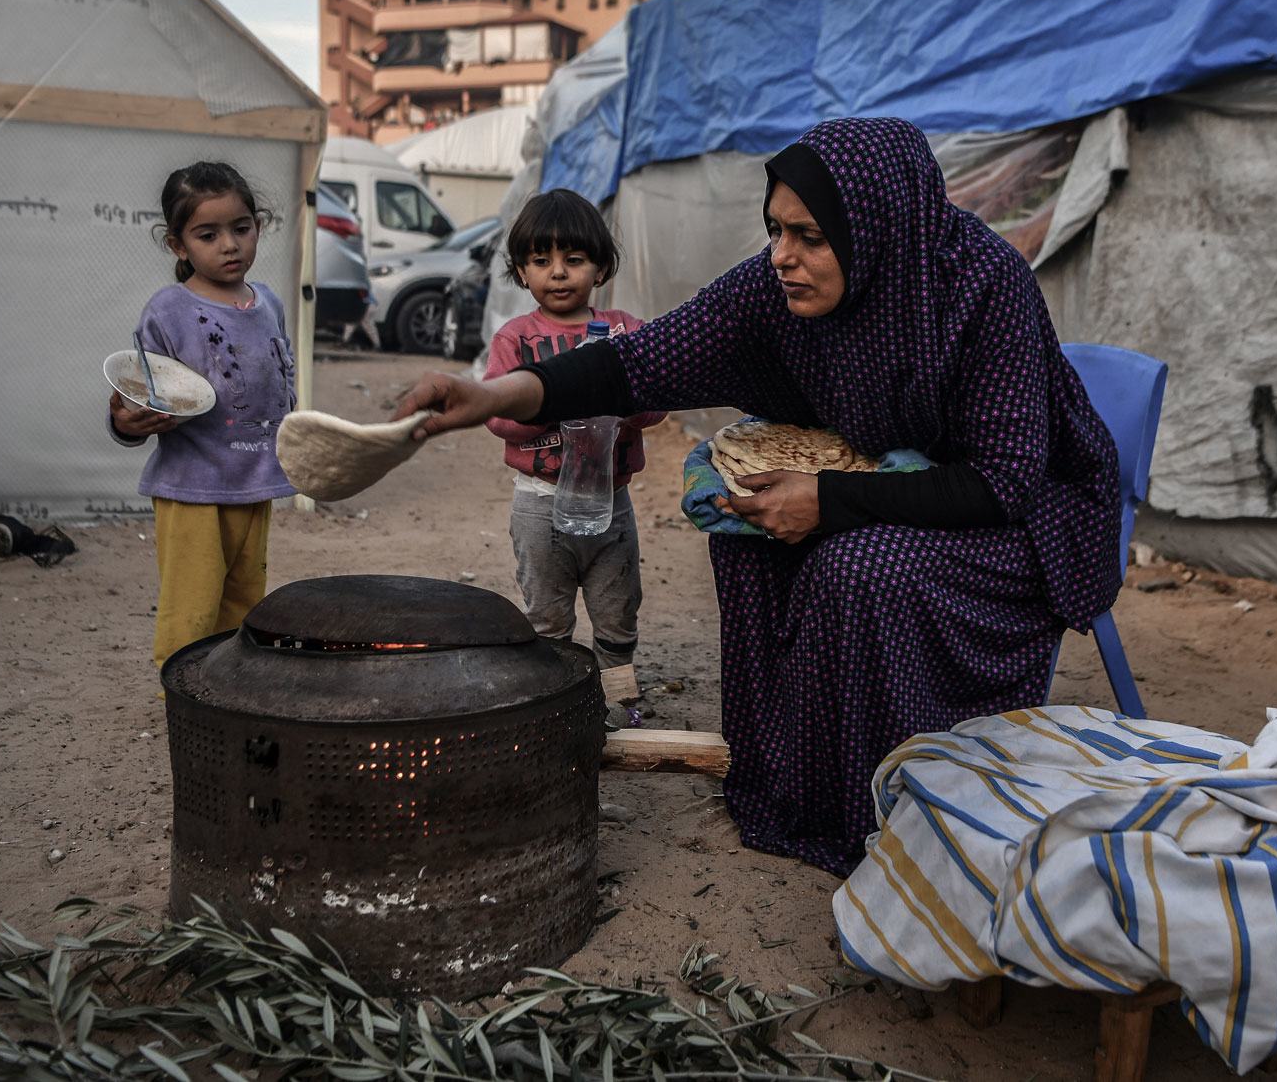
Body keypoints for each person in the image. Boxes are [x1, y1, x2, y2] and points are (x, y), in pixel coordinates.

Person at [397, 117, 1122, 875]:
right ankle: (791, 789)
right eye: (774, 229)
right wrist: (490, 394)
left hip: (1019, 518)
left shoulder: (980, 286)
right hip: (883, 484)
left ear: (873, 227)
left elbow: (1004, 478)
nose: (782, 256)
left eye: (809, 236)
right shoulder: (770, 293)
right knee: (748, 537)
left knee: (857, 567)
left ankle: (888, 811)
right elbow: (637, 362)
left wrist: (829, 501)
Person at [108, 161, 297, 669]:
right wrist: (126, 422)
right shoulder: (167, 311)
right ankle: (182, 691)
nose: (229, 245)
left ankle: (227, 687)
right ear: (178, 244)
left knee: (243, 600)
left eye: (241, 228)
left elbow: (281, 383)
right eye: (208, 234)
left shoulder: (271, 304)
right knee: (191, 607)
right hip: (192, 486)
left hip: (255, 480)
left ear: (259, 225)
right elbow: (137, 393)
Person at [485, 190, 664, 711]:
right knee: (547, 619)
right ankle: (556, 709)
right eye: (541, 261)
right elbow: (498, 417)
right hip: (540, 505)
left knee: (617, 614)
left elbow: (659, 400)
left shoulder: (624, 332)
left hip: (612, 506)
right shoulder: (516, 340)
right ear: (521, 271)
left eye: (574, 259)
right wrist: (555, 401)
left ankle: (617, 706)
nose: (558, 273)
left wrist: (619, 408)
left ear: (602, 268)